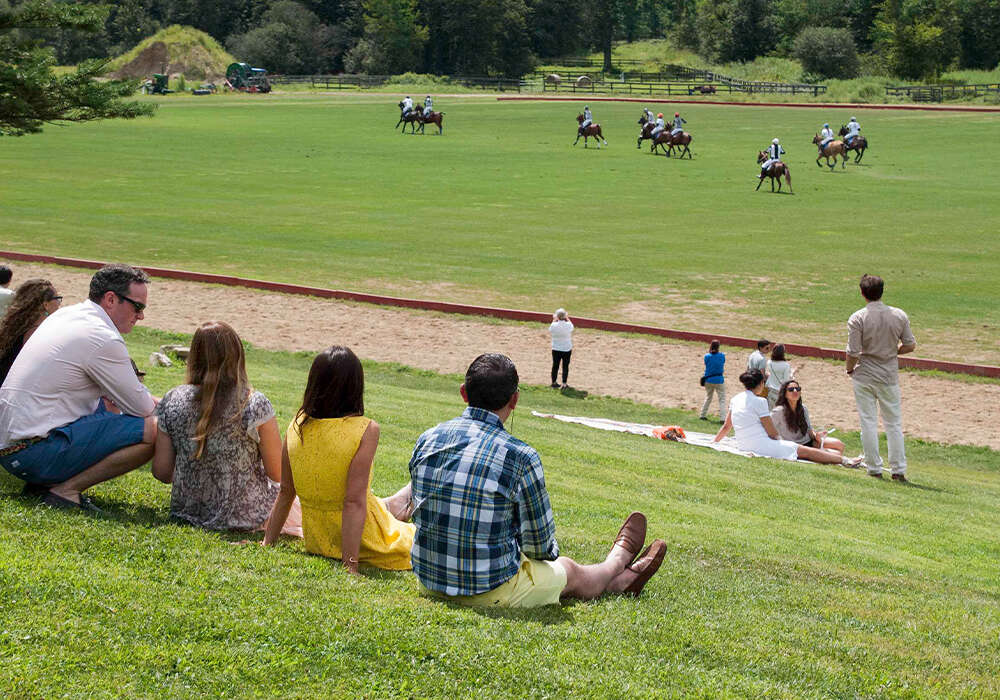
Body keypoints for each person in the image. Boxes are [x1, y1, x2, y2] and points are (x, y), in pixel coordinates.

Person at [409, 353, 666, 607]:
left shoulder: (428, 438)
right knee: (568, 570)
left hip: (428, 580)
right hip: (489, 591)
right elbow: (540, 548)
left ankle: (617, 579)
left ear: (464, 393)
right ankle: (617, 565)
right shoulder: (521, 456)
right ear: (515, 400)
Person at [0, 264, 157, 511]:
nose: (141, 316)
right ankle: (65, 491)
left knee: (109, 406)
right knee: (155, 430)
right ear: (110, 299)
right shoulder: (102, 337)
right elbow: (143, 408)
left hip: (11, 450)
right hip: (32, 454)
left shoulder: (67, 315)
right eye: (137, 307)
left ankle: (47, 482)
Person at [263, 346, 414, 572]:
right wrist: (350, 565)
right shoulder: (366, 429)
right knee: (418, 538)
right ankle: (403, 503)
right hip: (365, 540)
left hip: (318, 540)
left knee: (390, 514)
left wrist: (268, 542)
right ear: (355, 386)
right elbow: (353, 501)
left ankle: (398, 504)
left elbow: (286, 491)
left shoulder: (297, 424)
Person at [152, 321, 301, 534]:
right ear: (238, 356)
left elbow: (162, 472)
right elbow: (278, 474)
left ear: (193, 357)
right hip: (247, 516)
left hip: (187, 512)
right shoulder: (253, 403)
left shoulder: (172, 399)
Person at [714, 369, 863, 467]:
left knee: (805, 450)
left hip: (744, 444)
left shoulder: (735, 398)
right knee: (803, 451)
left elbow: (727, 427)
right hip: (761, 444)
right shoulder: (760, 401)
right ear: (760, 384)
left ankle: (843, 459)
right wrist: (782, 443)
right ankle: (845, 461)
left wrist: (714, 442)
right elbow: (771, 431)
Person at [846, 274, 916, 481]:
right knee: (893, 424)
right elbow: (910, 345)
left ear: (862, 293)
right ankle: (898, 469)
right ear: (882, 291)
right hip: (888, 376)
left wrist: (849, 369)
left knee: (867, 422)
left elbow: (853, 352)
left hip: (865, 374)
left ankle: (874, 467)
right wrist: (892, 352)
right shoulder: (899, 315)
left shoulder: (857, 317)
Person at [0, 279, 62, 385]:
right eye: (57, 299)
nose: (59, 303)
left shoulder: (16, 325)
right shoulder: (36, 332)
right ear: (46, 305)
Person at [771, 381, 846, 457]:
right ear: (785, 394)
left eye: (798, 389)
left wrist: (817, 436)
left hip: (808, 441)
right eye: (791, 389)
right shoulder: (778, 411)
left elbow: (809, 430)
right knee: (836, 454)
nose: (795, 391)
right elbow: (768, 428)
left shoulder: (803, 408)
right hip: (796, 447)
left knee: (839, 445)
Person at [700, 339, 726, 421]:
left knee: (708, 397)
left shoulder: (707, 356)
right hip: (719, 379)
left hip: (708, 379)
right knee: (722, 399)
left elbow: (706, 363)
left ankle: (702, 414)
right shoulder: (722, 356)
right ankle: (722, 418)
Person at [549, 308, 574, 389]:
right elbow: (570, 325)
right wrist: (566, 317)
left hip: (556, 348)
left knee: (555, 365)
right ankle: (564, 383)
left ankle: (553, 382)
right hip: (566, 348)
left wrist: (555, 319)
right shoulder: (568, 325)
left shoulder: (553, 326)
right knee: (565, 366)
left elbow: (551, 328)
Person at [764, 343, 794, 409]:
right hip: (780, 391)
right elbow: (786, 380)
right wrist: (791, 375)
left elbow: (769, 373)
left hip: (770, 389)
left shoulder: (769, 362)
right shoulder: (786, 365)